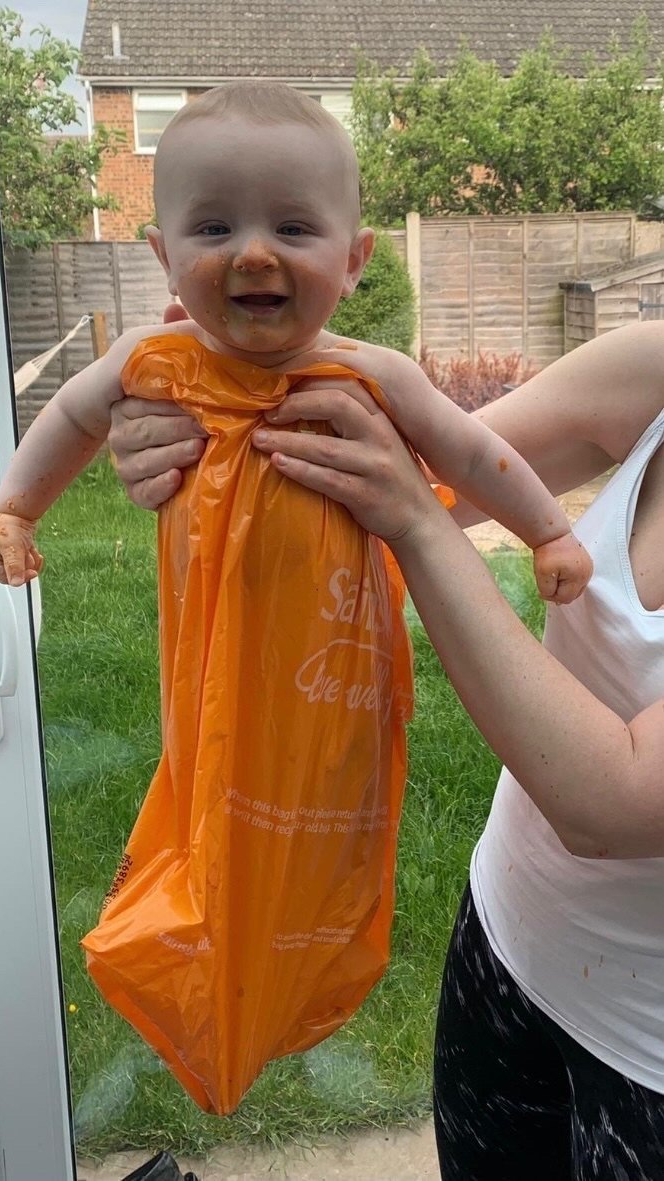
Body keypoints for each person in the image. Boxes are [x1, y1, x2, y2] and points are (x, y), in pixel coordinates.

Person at [109, 319, 664, 1179]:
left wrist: (409, 517)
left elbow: (614, 802)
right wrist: (216, 429)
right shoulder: (652, 368)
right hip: (508, 946)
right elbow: (423, 466)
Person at [0, 81, 589, 598]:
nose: (253, 253)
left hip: (341, 642)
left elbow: (474, 456)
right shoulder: (150, 360)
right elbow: (71, 416)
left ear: (352, 262)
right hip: (208, 637)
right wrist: (15, 511)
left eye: (293, 228)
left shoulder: (375, 376)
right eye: (214, 228)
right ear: (165, 258)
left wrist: (549, 533)